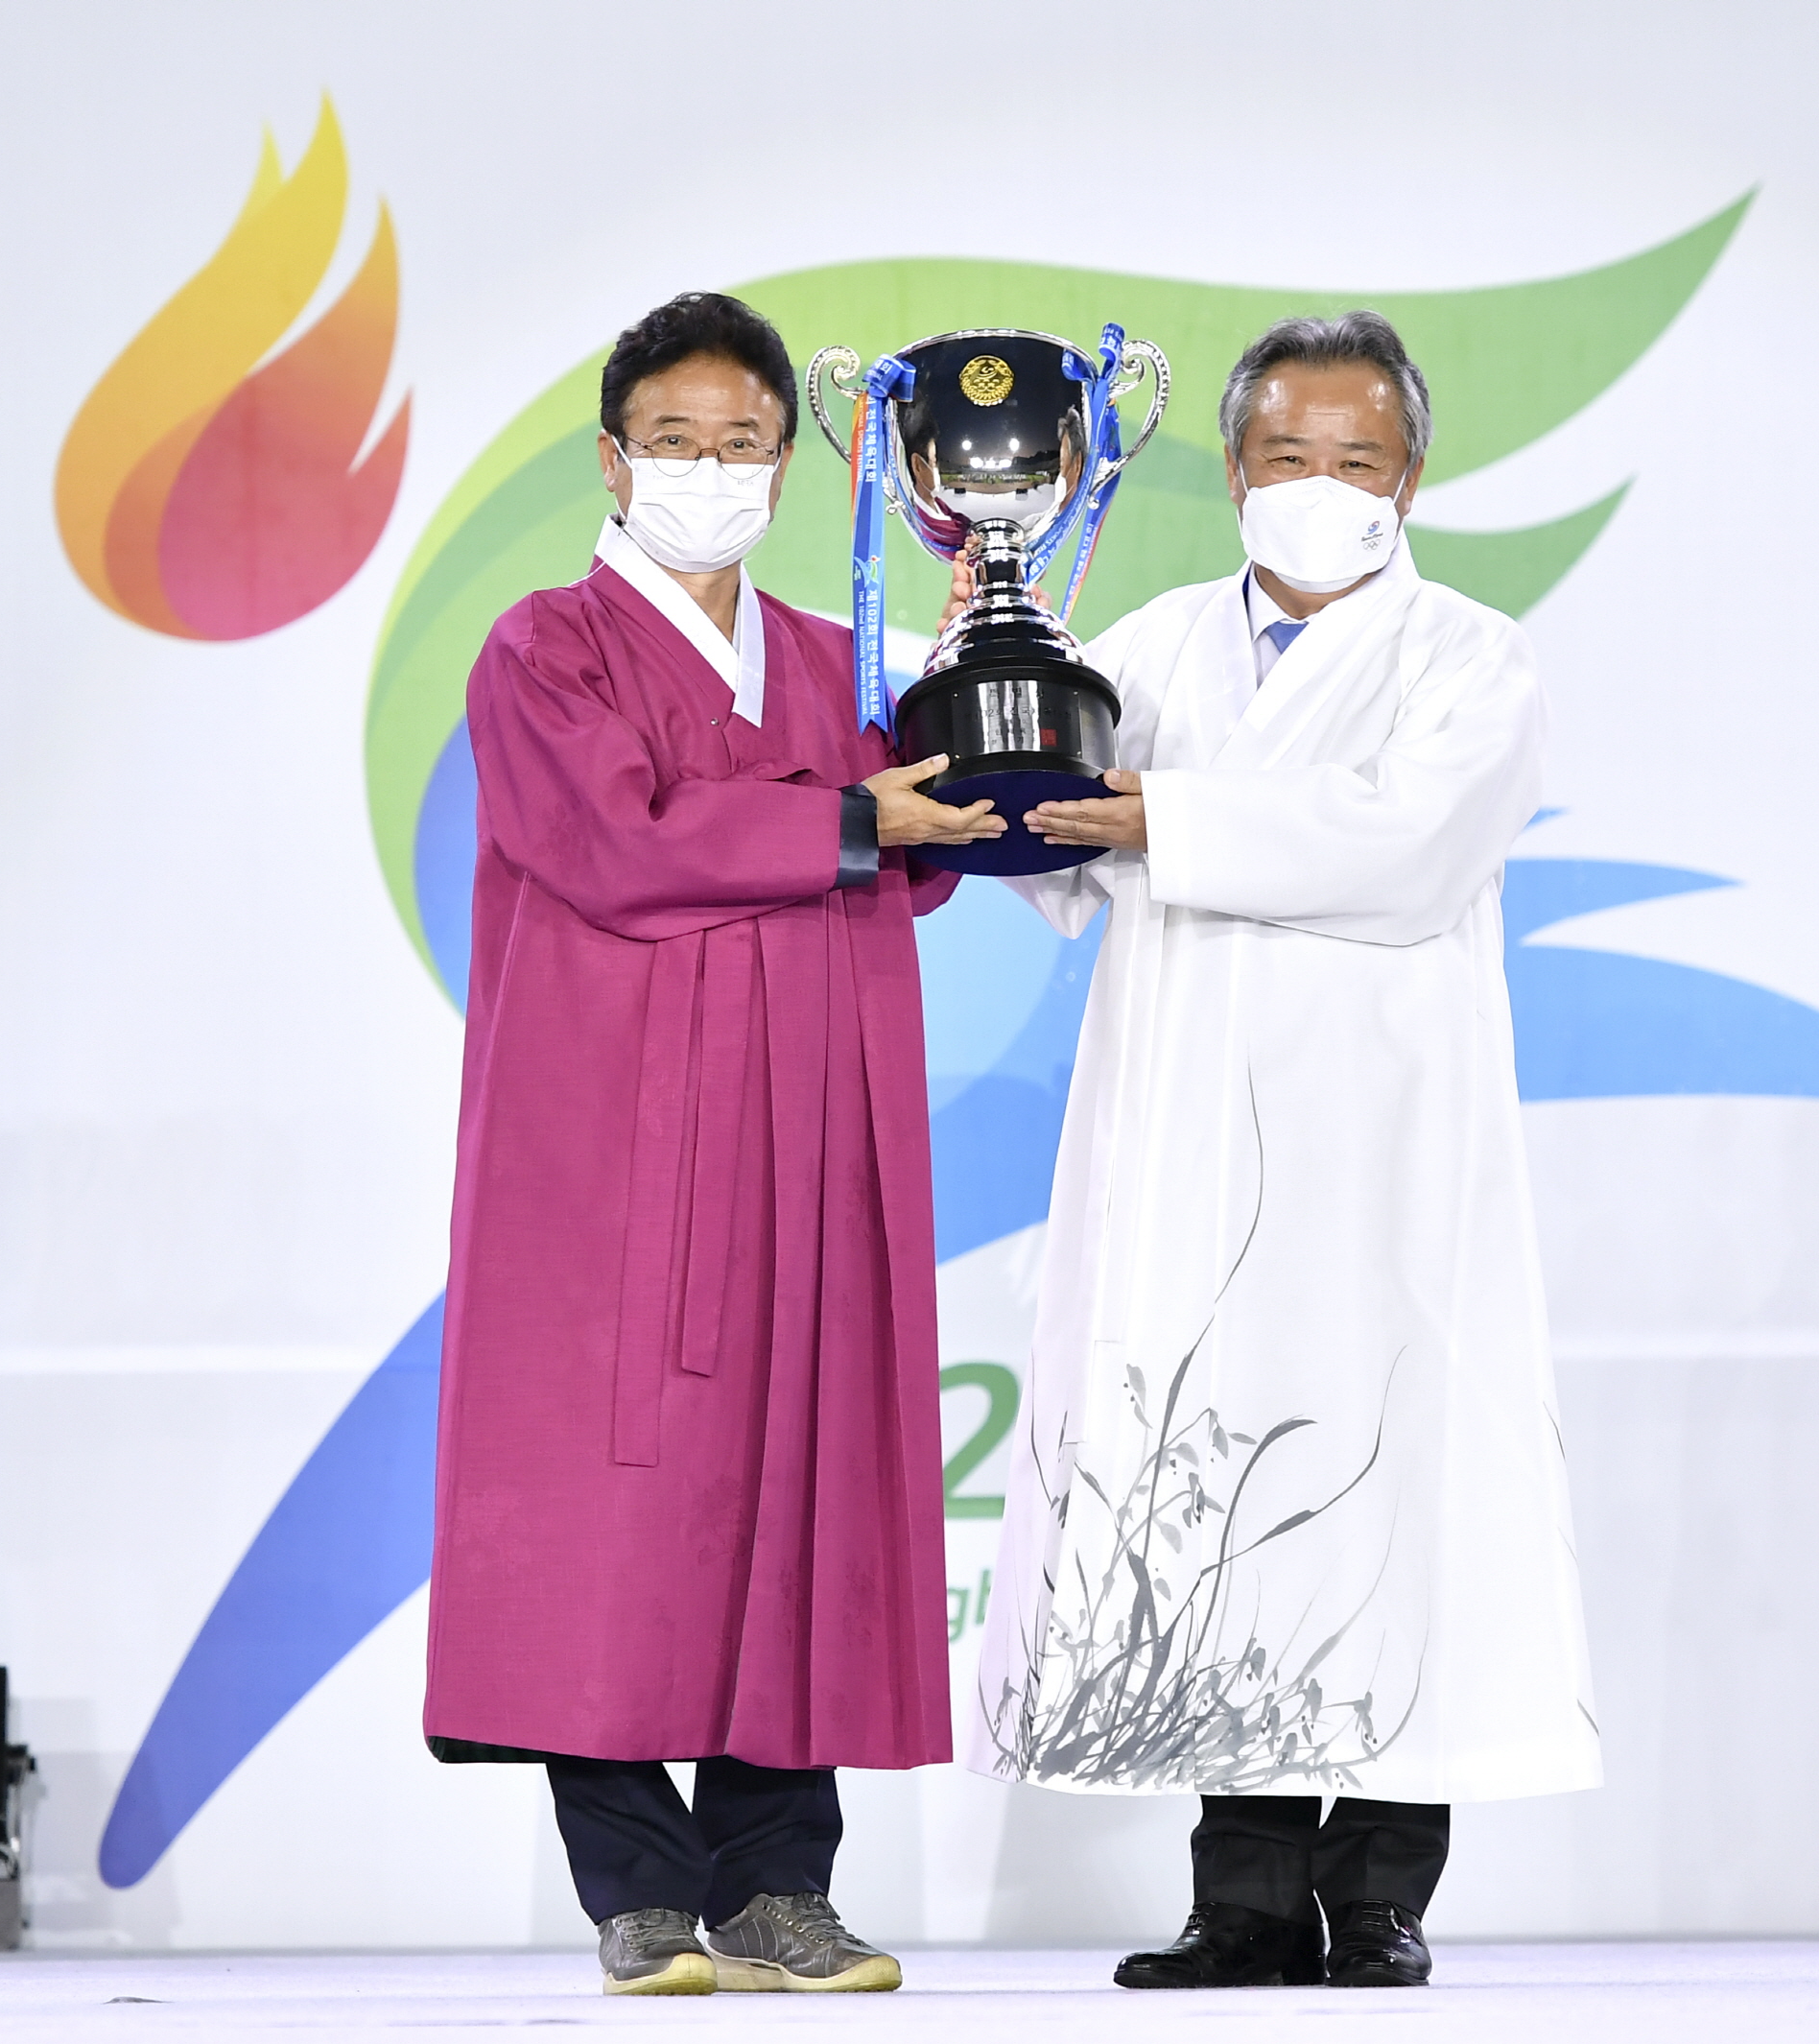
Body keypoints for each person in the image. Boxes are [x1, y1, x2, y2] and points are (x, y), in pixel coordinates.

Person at [963, 312, 1600, 1989]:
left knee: (1390, 1478)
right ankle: (1241, 1893)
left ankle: (1381, 1891)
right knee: (1218, 1480)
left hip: (1388, 1138)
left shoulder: (1472, 658)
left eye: (1358, 459)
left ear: (1412, 477)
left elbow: (1412, 845)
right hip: (1189, 1135)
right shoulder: (1149, 647)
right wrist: (990, 699)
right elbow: (1051, 857)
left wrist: (1164, 818)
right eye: (1291, 455)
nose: (1324, 485)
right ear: (1236, 469)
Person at [423, 292, 1002, 1997]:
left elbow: (920, 854)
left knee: (800, 1490)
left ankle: (775, 1886)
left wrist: (971, 694)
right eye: (674, 441)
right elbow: (618, 839)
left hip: (814, 1140)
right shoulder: (545, 649)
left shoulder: (834, 661)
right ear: (614, 461)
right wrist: (846, 816)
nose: (708, 469)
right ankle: (638, 1885)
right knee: (596, 1508)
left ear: (783, 469)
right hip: (609, 1146)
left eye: (743, 444)